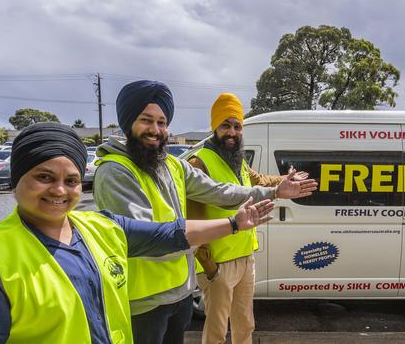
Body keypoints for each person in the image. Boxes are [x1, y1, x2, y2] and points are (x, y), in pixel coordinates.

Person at [0, 122, 275, 344]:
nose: (59, 190)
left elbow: (168, 233)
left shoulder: (99, 227)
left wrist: (234, 224)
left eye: (71, 180)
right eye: (43, 176)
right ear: (17, 180)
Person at [93, 80, 317, 344]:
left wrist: (277, 189)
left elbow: (226, 191)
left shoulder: (174, 165)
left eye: (162, 123)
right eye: (146, 120)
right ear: (128, 123)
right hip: (145, 300)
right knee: (217, 330)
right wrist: (221, 243)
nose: (155, 130)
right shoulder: (117, 171)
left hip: (181, 292)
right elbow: (145, 236)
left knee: (244, 324)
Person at [186, 93, 307, 344]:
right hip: (218, 263)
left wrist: (285, 179)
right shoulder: (199, 163)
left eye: (237, 126)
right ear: (215, 127)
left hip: (245, 258)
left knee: (245, 326)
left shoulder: (237, 159)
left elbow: (260, 180)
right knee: (217, 331)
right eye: (226, 125)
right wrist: (210, 268)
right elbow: (193, 221)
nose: (232, 132)